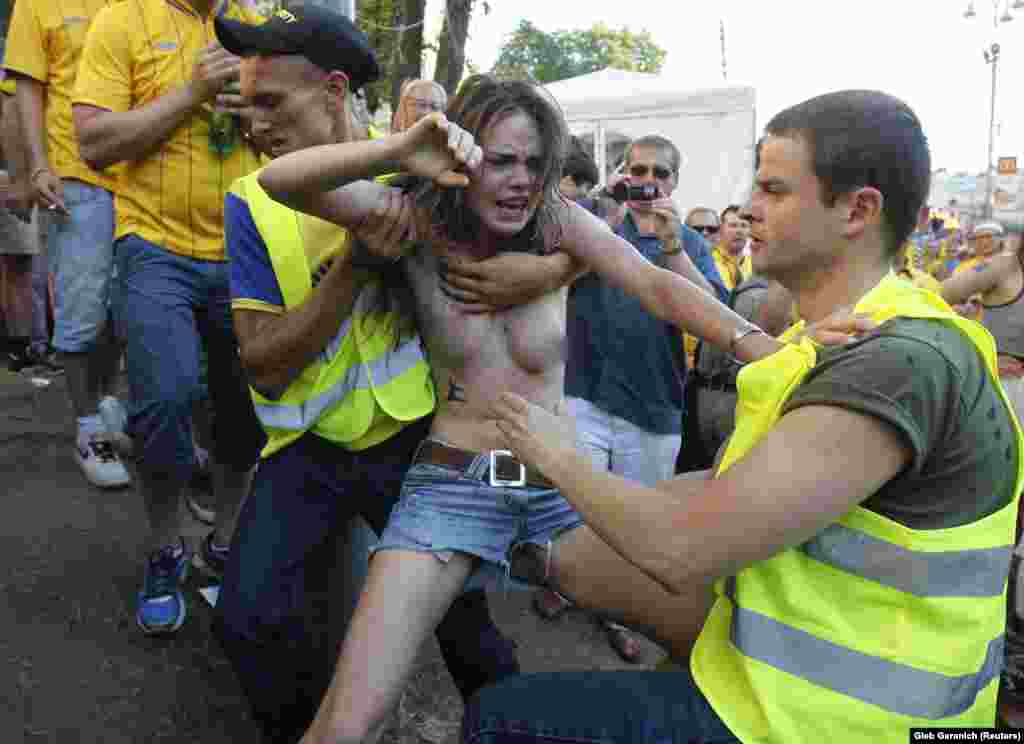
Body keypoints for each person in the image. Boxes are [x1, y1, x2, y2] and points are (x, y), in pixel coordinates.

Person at [257, 74, 867, 744]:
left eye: (535, 164)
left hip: (558, 492)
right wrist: (403, 148)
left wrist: (773, 352)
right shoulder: (419, 219)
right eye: (501, 160)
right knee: (347, 723)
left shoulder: (555, 223)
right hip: (453, 488)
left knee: (728, 646)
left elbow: (656, 285)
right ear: (459, 155)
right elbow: (281, 181)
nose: (521, 180)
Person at [465, 89, 1023, 744]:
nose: (750, 208)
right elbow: (716, 487)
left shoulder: (896, 362)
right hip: (805, 699)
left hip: (826, 725)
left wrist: (554, 454)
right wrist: (535, 545)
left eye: (774, 190)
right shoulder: (854, 338)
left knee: (503, 719)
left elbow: (678, 551)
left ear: (858, 210)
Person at [210, 8, 557, 741]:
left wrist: (554, 265)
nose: (252, 122)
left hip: (412, 442)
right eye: (244, 103)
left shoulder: (423, 169)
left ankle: (523, 728)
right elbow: (264, 370)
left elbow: (564, 221)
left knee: (469, 633)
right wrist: (356, 268)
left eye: (271, 101)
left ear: (335, 89)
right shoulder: (252, 200)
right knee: (249, 621)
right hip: (306, 449)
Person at [71, 0, 267, 635]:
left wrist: (255, 115)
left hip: (244, 244)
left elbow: (292, 134)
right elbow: (95, 145)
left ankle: (225, 543)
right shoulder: (121, 21)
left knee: (243, 410)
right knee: (165, 400)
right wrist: (193, 92)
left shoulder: (258, 27)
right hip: (153, 246)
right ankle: (165, 548)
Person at [528, 134, 726, 661]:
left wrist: (673, 248)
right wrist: (609, 222)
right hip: (584, 392)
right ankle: (566, 584)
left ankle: (620, 613)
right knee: (573, 500)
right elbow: (545, 269)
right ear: (622, 173)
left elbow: (711, 313)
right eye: (639, 170)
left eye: (660, 173)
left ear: (675, 183)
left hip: (654, 407)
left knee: (638, 518)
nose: (648, 182)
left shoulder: (686, 240)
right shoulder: (593, 222)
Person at [4, 0, 131, 487]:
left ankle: (105, 404)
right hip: (75, 177)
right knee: (82, 307)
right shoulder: (37, 5)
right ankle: (87, 430)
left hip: (142, 178)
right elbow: (24, 93)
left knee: (125, 309)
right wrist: (33, 169)